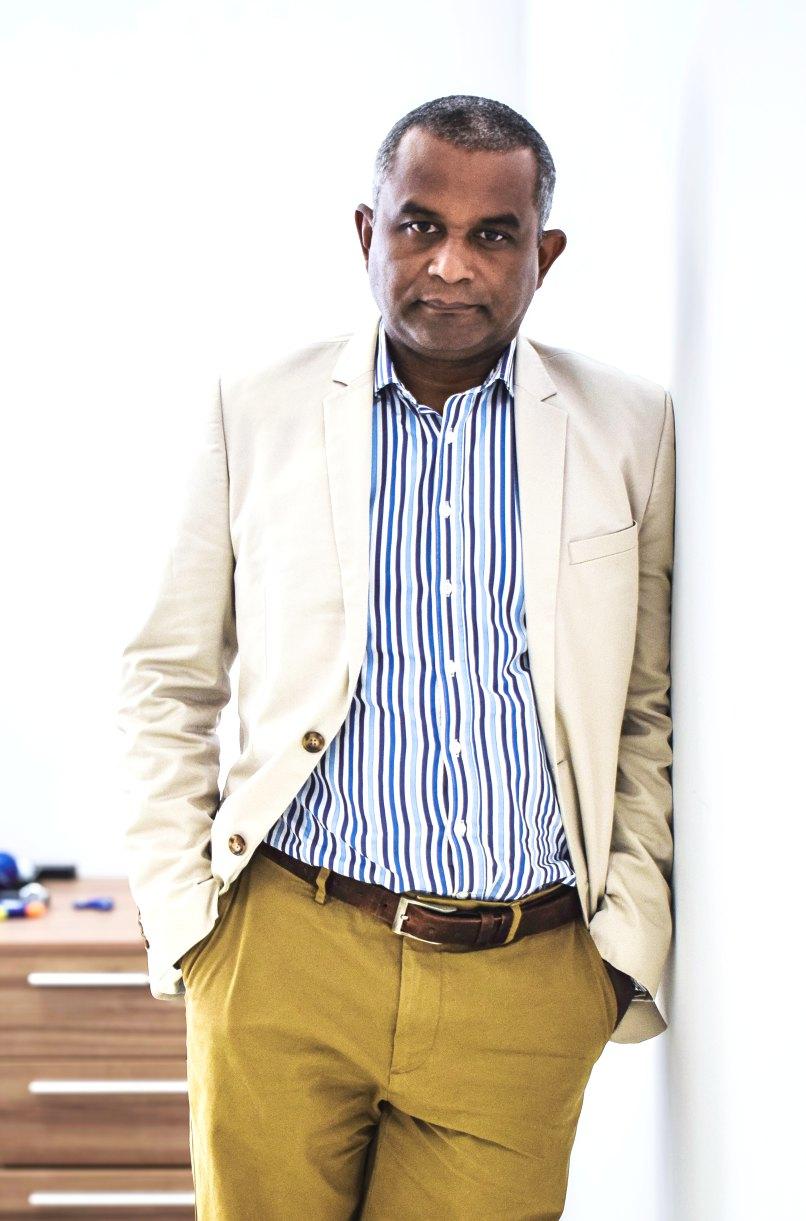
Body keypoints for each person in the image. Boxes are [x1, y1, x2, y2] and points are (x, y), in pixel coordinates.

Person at [119, 94, 676, 1220]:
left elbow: (646, 706)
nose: (451, 266)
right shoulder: (257, 410)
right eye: (420, 225)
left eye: (492, 234)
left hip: (526, 978)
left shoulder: (628, 428)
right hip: (285, 952)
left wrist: (617, 946)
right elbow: (168, 677)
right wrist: (188, 923)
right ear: (368, 234)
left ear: (542, 255)